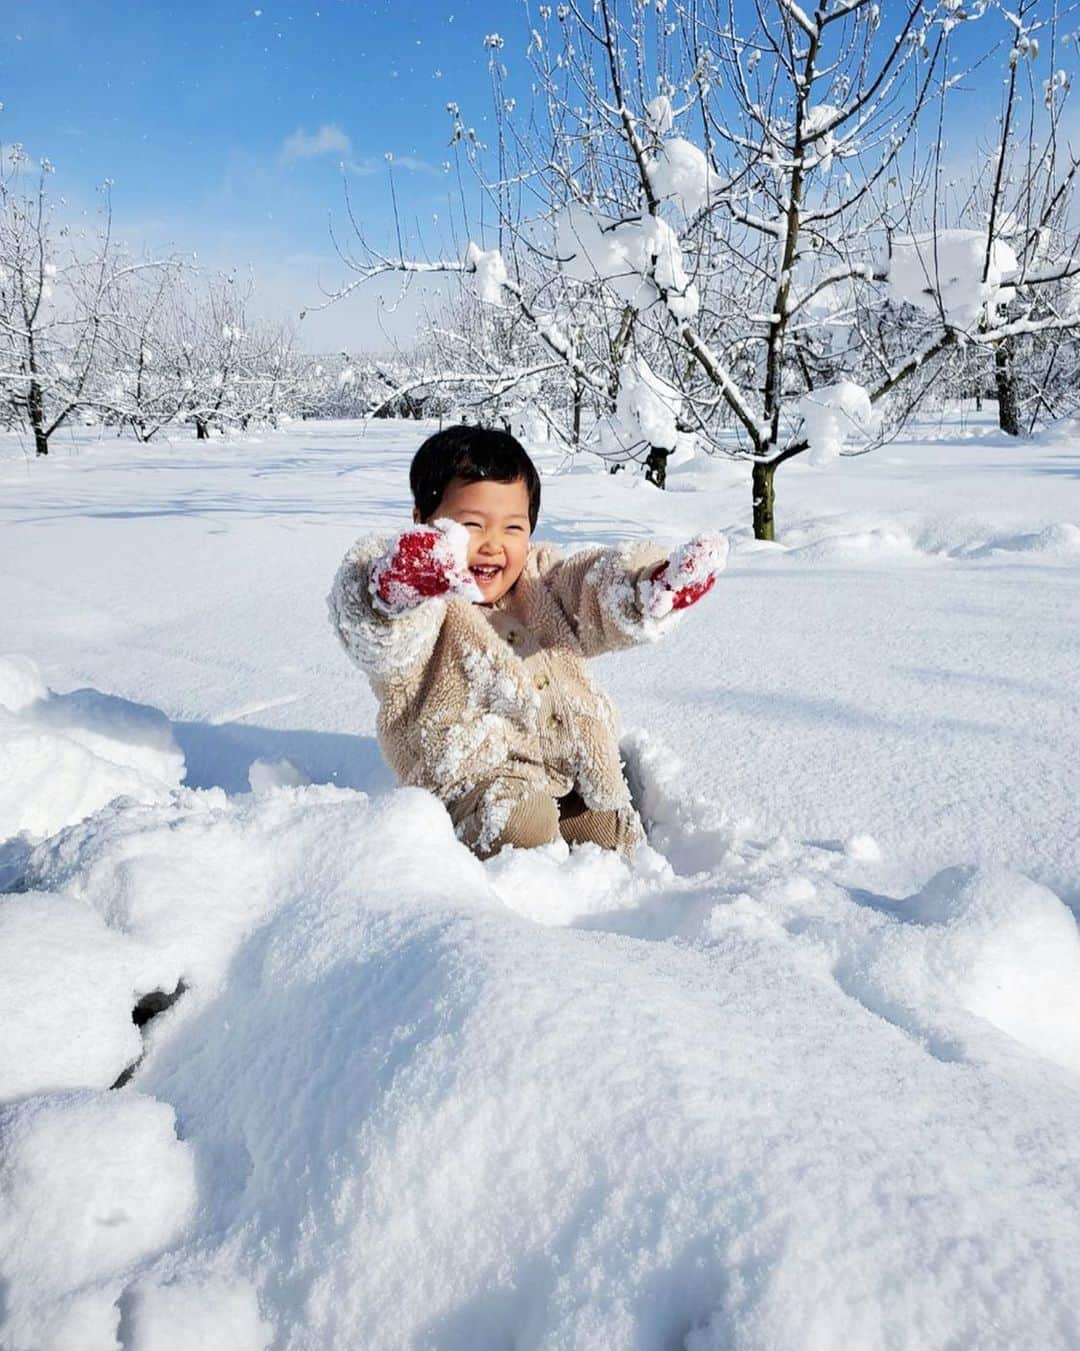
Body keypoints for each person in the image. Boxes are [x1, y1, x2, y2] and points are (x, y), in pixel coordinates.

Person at [328, 425, 726, 858]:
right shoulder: (426, 609)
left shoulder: (539, 581)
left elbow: (592, 587)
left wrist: (646, 587)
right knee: (522, 820)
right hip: (474, 781)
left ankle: (629, 895)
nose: (493, 545)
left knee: (608, 827)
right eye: (471, 525)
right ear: (423, 521)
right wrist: (395, 589)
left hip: (571, 762)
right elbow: (375, 633)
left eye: (513, 528)